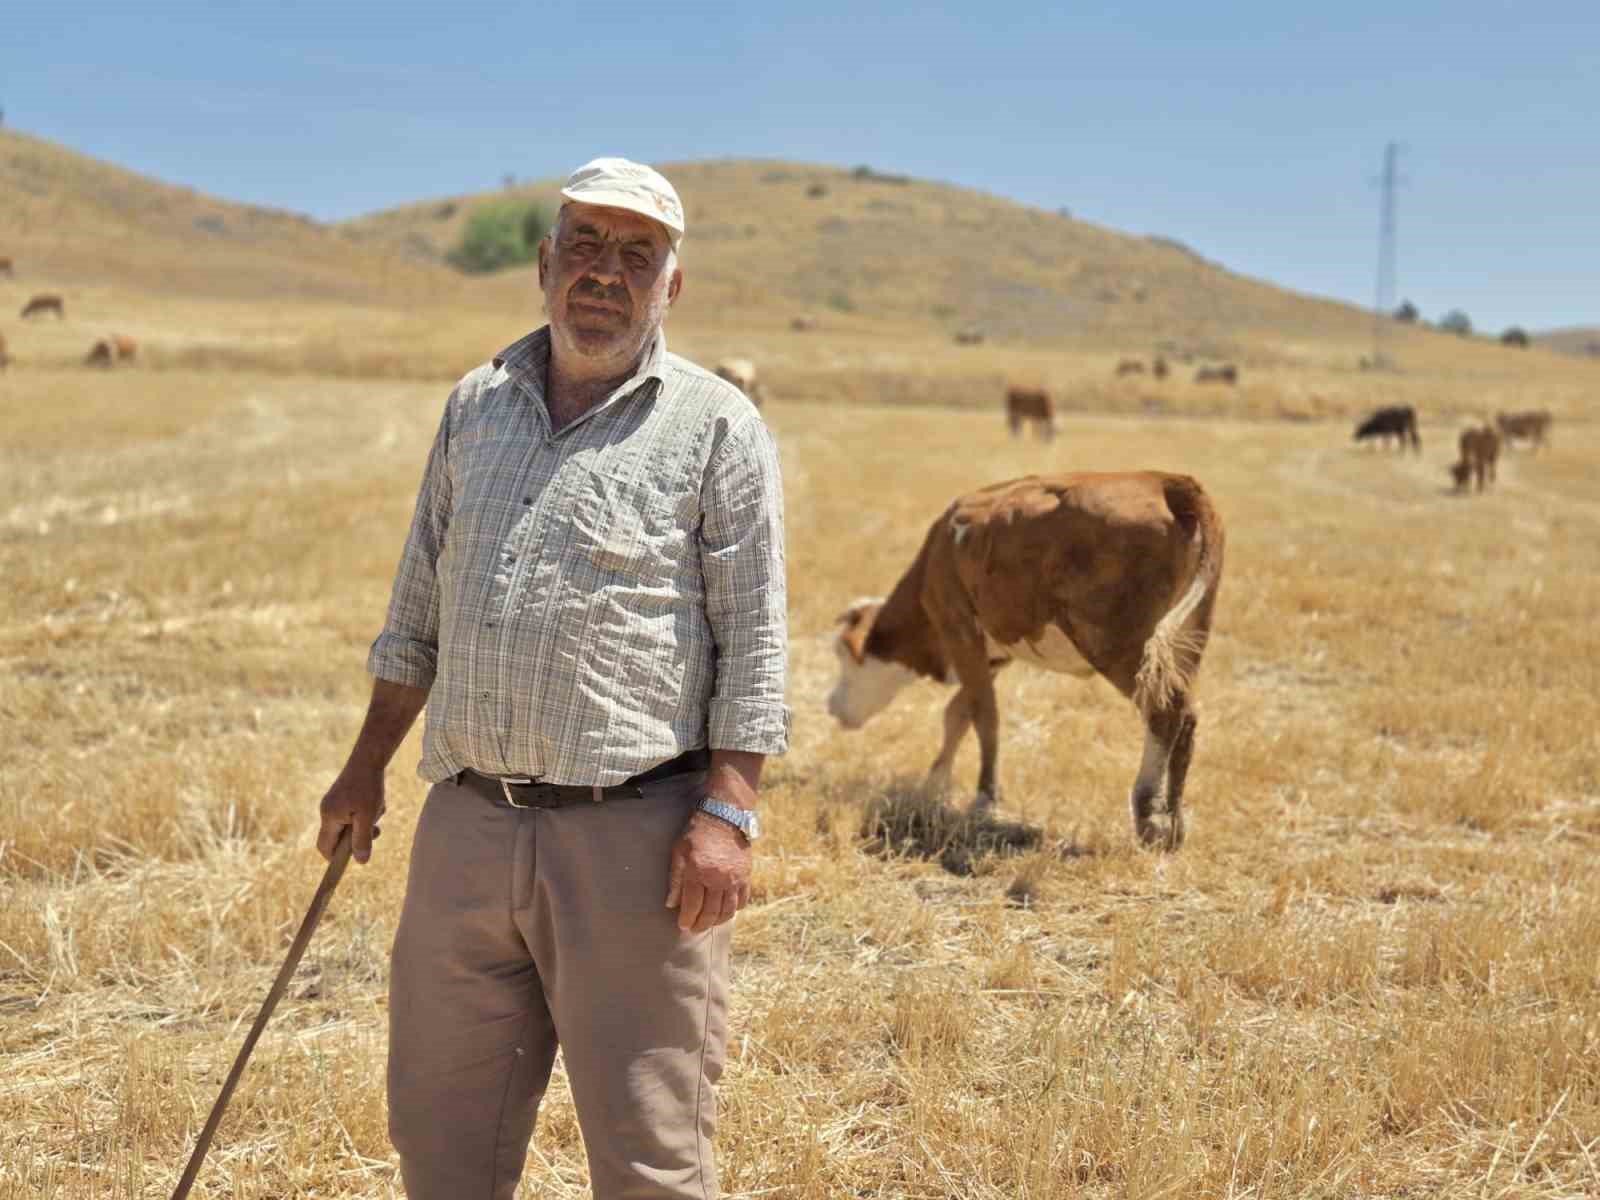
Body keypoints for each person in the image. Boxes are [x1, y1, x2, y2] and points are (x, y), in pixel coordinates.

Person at [315, 156, 788, 1200]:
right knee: (441, 1145)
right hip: (466, 831)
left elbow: (754, 642)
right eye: (585, 246)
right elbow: (415, 616)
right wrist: (363, 770)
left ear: (672, 285)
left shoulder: (714, 426)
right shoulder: (476, 407)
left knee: (649, 1158)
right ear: (544, 263)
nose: (604, 274)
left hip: (634, 843)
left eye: (637, 255)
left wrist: (730, 812)